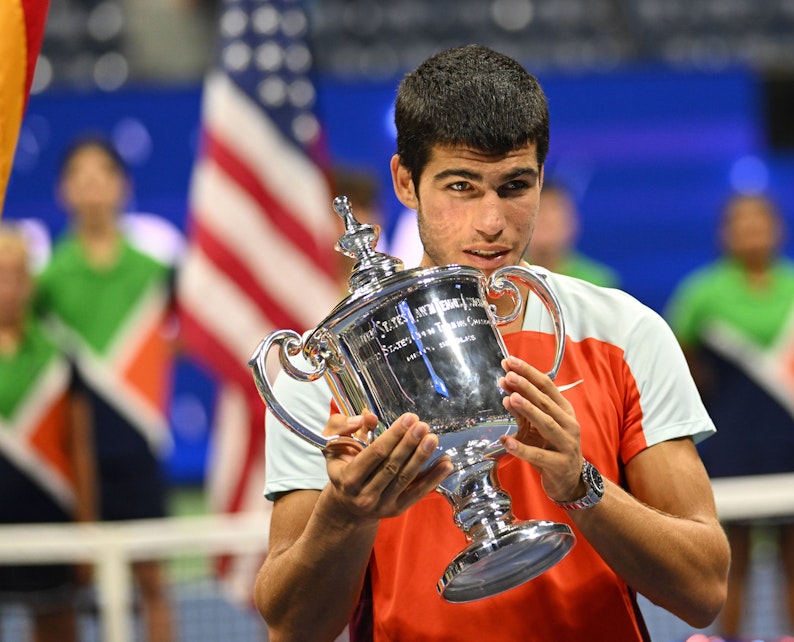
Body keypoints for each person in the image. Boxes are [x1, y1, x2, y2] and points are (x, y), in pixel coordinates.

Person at [254, 44, 729, 641]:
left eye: (514, 186)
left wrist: (582, 487)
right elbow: (292, 629)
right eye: (461, 186)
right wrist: (344, 515)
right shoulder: (335, 366)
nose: (491, 222)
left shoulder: (625, 334)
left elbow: (703, 589)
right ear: (406, 181)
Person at [665, 193, 794, 639]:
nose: (751, 231)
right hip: (733, 450)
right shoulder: (699, 293)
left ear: (777, 229)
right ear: (725, 234)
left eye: (759, 222)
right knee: (734, 568)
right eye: (741, 223)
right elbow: (680, 367)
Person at [33, 136, 177, 642]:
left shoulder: (156, 271)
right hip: (71, 459)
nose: (92, 188)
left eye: (102, 176)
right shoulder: (45, 279)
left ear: (123, 186)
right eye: (80, 177)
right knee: (64, 590)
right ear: (63, 191)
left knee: (153, 583)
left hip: (138, 447)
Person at [0, 225, 97, 642]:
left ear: (31, 282)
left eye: (17, 275)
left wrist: (86, 532)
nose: (8, 287)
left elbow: (80, 449)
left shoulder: (60, 353)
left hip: (52, 521)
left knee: (59, 628)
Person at [526, 180, 621, 288]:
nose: (545, 218)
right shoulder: (508, 276)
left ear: (573, 221)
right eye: (539, 208)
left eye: (554, 208)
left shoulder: (598, 282)